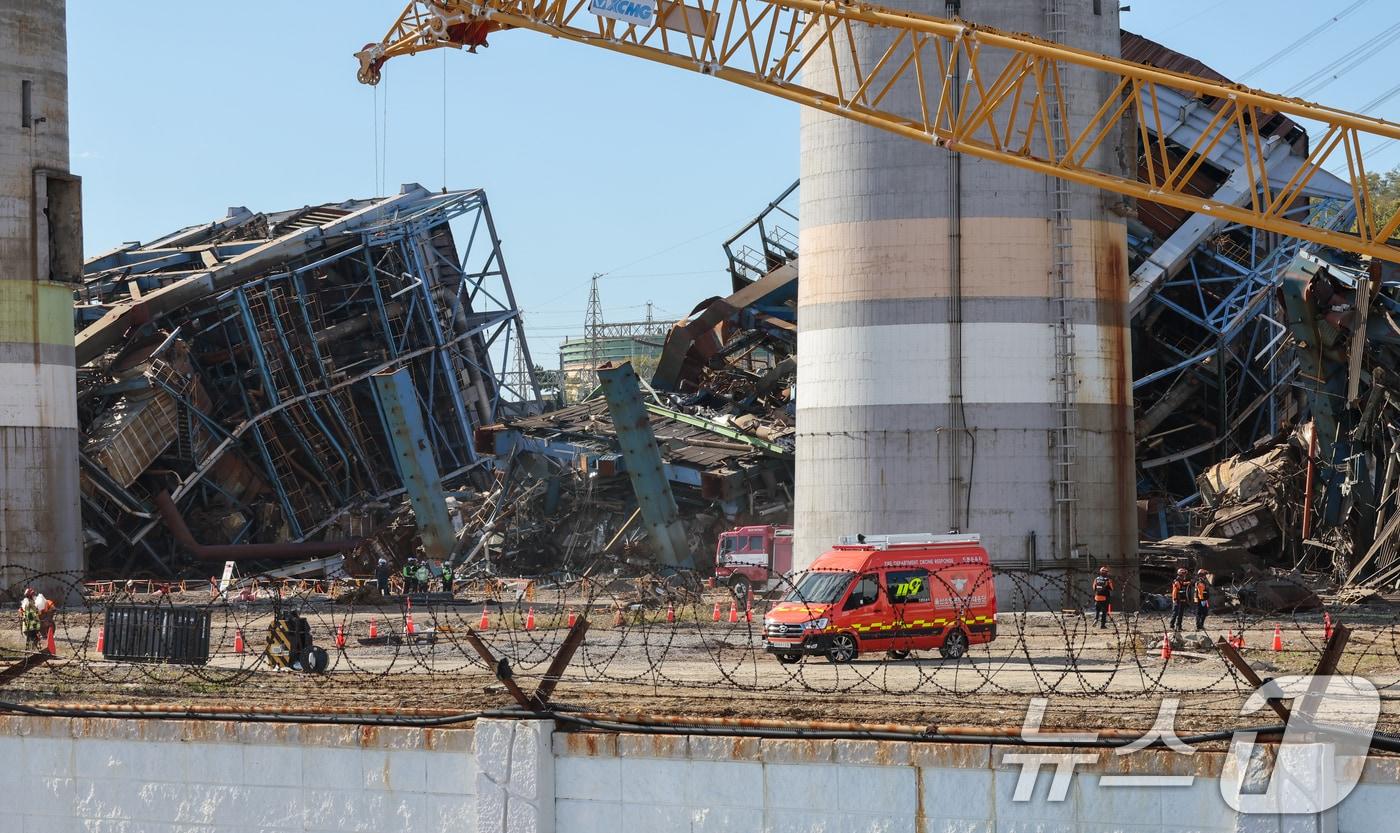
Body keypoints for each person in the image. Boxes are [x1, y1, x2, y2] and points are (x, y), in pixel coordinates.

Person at [1169, 568, 1192, 632]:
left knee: (1181, 614)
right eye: (1183, 574)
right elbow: (1174, 591)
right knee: (1175, 613)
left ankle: (1179, 626)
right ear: (1180, 574)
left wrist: (1189, 582)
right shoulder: (1176, 582)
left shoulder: (1181, 581)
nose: (1185, 576)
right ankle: (1172, 625)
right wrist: (1175, 599)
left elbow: (1183, 584)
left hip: (1182, 599)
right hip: (1177, 600)